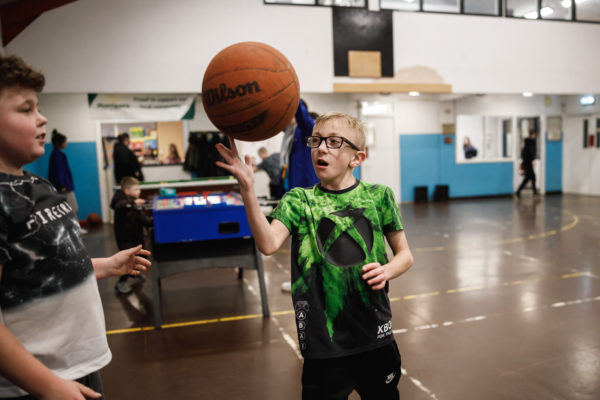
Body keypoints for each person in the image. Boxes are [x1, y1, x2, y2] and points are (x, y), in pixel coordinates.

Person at [216, 111, 414, 399]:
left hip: (376, 334)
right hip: (324, 342)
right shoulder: (298, 200)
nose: (321, 148)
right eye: (316, 140)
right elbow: (269, 244)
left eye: (334, 142)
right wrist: (247, 191)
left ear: (356, 158)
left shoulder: (379, 196)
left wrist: (387, 270)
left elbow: (405, 255)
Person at [0, 53, 151, 399]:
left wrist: (105, 265)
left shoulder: (39, 186)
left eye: (37, 108)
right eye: (25, 110)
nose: (42, 119)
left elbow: (44, 270)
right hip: (34, 383)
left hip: (79, 369)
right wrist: (50, 386)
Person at [280, 100, 320, 292]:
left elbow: (303, 117)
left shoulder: (307, 130)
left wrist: (291, 96)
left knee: (309, 241)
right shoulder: (290, 133)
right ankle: (303, 280)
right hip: (295, 193)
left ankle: (309, 281)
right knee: (300, 240)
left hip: (308, 194)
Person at [111, 176, 152, 295]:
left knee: (142, 257)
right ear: (126, 190)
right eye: (136, 189)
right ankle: (121, 283)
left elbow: (140, 217)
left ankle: (134, 273)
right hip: (125, 238)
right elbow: (117, 205)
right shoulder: (120, 198)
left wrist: (151, 221)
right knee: (128, 260)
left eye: (139, 189)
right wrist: (133, 201)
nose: (139, 192)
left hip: (137, 236)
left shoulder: (134, 202)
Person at [47, 129, 88, 234]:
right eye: (65, 141)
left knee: (71, 208)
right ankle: (74, 230)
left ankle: (73, 229)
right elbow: (59, 172)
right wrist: (62, 185)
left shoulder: (58, 155)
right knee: (73, 208)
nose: (66, 143)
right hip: (64, 187)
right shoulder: (57, 156)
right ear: (58, 143)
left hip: (64, 186)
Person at [515, 130, 538, 198]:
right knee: (531, 177)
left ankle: (534, 192)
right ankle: (533, 192)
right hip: (528, 162)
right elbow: (531, 152)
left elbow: (524, 153)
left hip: (527, 162)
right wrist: (532, 160)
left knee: (530, 177)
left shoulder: (526, 143)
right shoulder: (531, 142)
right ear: (533, 134)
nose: (535, 136)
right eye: (534, 134)